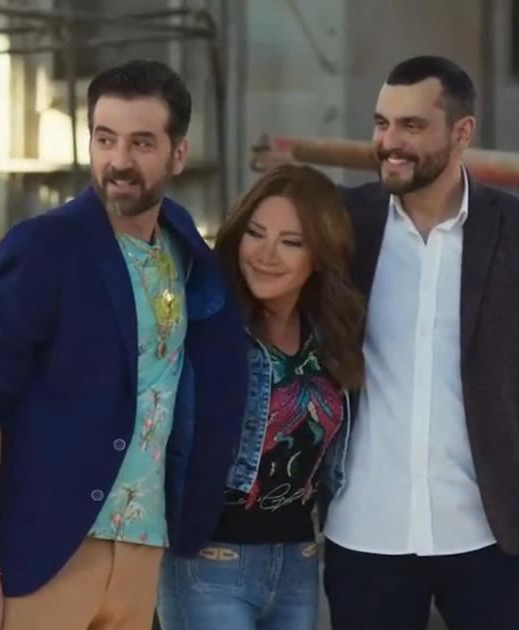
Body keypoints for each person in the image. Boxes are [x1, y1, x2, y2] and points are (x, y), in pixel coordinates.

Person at [0, 59, 249, 630]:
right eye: (105, 139)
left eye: (142, 143)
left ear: (178, 154)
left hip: (142, 551)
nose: (119, 161)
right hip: (42, 553)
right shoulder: (44, 246)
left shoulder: (183, 244)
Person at [321, 56, 519, 630]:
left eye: (411, 126)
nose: (389, 142)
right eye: (382, 123)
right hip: (364, 533)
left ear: (462, 132)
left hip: (492, 535)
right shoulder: (345, 222)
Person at [156, 164, 366, 630]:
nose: (266, 255)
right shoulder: (206, 322)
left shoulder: (329, 335)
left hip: (299, 561)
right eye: (255, 234)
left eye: (291, 242)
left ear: (320, 255)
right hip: (209, 563)